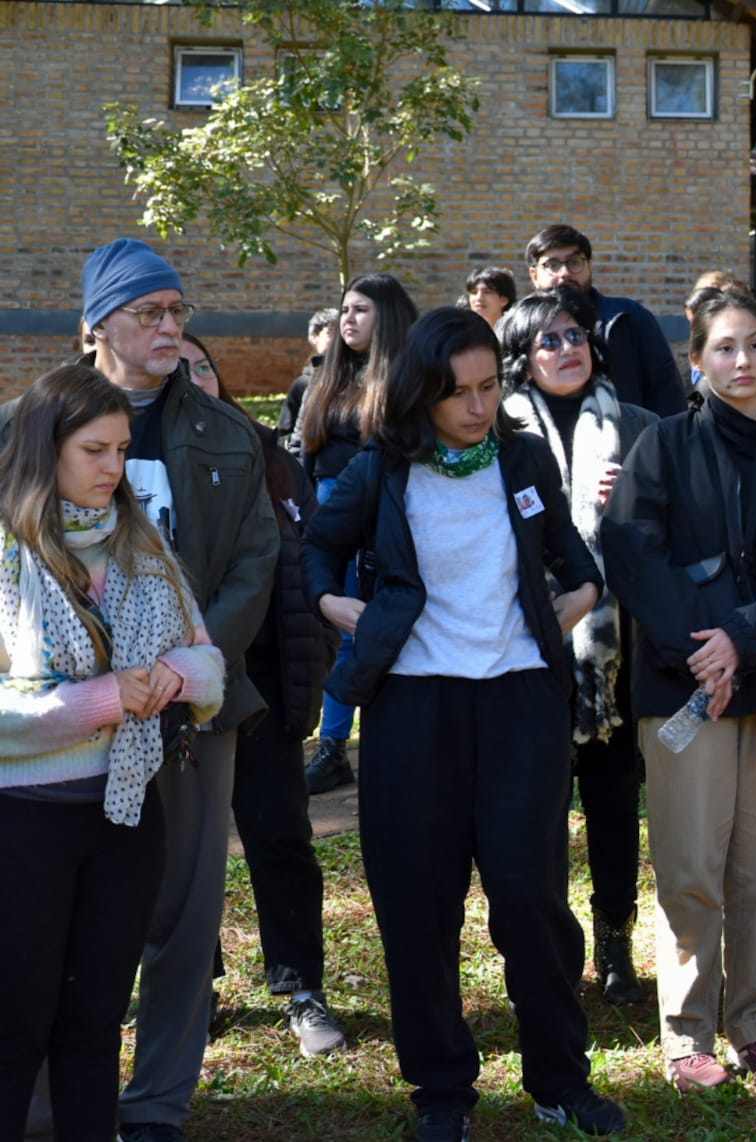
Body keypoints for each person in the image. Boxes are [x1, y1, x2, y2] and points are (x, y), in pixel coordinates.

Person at [303, 306, 624, 1139]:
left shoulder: (519, 458)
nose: (478, 407)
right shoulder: (381, 470)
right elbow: (313, 548)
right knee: (418, 906)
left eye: (489, 388)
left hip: (520, 702)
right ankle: (441, 1092)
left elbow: (578, 566)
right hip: (413, 709)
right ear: (420, 391)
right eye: (458, 393)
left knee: (531, 901)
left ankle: (560, 1079)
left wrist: (577, 599)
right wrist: (335, 602)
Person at [0, 238, 278, 1142]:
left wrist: (174, 679)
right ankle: (41, 1110)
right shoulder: (22, 428)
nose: (170, 327)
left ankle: (154, 1106)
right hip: (48, 743)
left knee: (181, 915)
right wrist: (94, 688)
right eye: (149, 312)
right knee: (42, 936)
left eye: (178, 312)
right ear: (95, 326)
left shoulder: (232, 434)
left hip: (191, 710)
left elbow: (253, 564)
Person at [600, 286, 756, 1091]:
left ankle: (755, 1021)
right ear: (698, 359)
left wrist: (744, 637)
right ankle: (687, 1033)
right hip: (683, 696)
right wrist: (703, 650)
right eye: (723, 348)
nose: (741, 362)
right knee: (691, 870)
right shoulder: (662, 450)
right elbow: (636, 552)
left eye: (754, 345)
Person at [0, 365, 225, 1142]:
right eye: (94, 449)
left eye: (122, 449)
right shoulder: (6, 555)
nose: (113, 468)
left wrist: (172, 676)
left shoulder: (141, 543)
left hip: (124, 816)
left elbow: (208, 663)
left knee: (95, 1027)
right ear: (44, 450)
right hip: (23, 824)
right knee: (16, 1031)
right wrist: (101, 700)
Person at [179, 334, 347, 1057]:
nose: (194, 377)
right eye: (179, 367)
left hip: (263, 685)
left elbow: (314, 573)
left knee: (279, 835)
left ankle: (301, 986)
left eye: (202, 364)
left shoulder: (269, 458)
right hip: (169, 691)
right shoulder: (128, 459)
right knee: (183, 849)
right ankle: (194, 986)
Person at [500, 287, 659, 1006]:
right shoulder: (494, 434)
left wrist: (636, 499)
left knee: (613, 800)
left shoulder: (641, 426)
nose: (567, 350)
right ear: (521, 359)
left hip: (614, 654)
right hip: (525, 648)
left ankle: (616, 941)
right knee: (536, 807)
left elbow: (678, 532)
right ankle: (551, 943)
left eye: (575, 336)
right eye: (549, 341)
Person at [296, 273, 418, 794]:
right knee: (334, 632)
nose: (347, 319)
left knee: (360, 633)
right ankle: (333, 745)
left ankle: (344, 747)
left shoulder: (404, 380)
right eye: (344, 308)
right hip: (325, 515)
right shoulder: (325, 375)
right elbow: (308, 454)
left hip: (375, 518)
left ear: (386, 317)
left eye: (361, 309)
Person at [525, 224, 687, 418]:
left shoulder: (628, 318)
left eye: (574, 262)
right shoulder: (520, 327)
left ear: (590, 266)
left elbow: (667, 394)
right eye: (552, 265)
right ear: (534, 275)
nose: (565, 272)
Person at [279, 308, 339, 453]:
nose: (338, 341)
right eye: (331, 333)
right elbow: (285, 431)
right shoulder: (302, 384)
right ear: (314, 337)